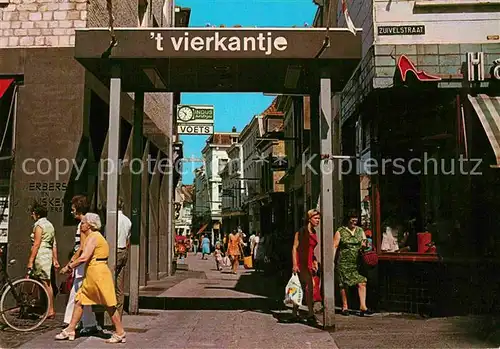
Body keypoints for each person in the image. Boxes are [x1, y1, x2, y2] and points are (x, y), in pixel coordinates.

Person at [55, 213, 126, 343]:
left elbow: (84, 257)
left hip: (97, 273)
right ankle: (70, 328)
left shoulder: (93, 237)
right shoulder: (93, 237)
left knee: (109, 304)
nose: (81, 225)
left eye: (83, 223)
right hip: (94, 272)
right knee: (80, 300)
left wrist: (69, 267)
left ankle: (120, 332)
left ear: (89, 225)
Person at [61, 195, 99, 333]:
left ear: (78, 209)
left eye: (72, 209)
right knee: (81, 293)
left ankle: (71, 323)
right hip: (84, 263)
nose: (71, 212)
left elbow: (82, 247)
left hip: (82, 264)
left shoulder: (83, 224)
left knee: (76, 293)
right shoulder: (86, 222)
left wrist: (71, 263)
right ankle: (90, 323)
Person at [334, 210, 373, 316]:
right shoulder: (340, 231)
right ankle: (345, 307)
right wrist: (332, 262)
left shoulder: (360, 231)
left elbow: (365, 244)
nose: (354, 220)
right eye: (352, 218)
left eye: (356, 218)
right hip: (343, 263)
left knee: (362, 281)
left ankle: (363, 306)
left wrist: (365, 246)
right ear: (348, 219)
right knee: (344, 284)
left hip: (356, 263)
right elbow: (335, 247)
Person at [27, 201, 58, 319]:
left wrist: (30, 260)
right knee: (45, 282)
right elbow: (54, 243)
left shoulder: (39, 225)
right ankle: (46, 306)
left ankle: (50, 309)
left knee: (45, 282)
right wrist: (55, 258)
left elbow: (36, 244)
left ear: (37, 214)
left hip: (41, 255)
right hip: (48, 255)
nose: (32, 215)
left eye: (33, 213)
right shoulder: (50, 225)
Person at [289, 209, 320, 326]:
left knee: (302, 287)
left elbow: (312, 250)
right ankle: (310, 313)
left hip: (309, 260)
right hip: (302, 260)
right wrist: (295, 264)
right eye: (316, 218)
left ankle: (295, 312)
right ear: (309, 218)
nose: (318, 221)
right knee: (307, 286)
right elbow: (294, 248)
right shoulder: (301, 232)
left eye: (319, 219)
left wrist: (314, 260)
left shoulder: (314, 232)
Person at [115, 197, 132, 318]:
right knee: (120, 286)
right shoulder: (127, 220)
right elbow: (128, 240)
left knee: (109, 283)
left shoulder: (113, 219)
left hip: (114, 251)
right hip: (123, 251)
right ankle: (118, 314)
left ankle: (109, 315)